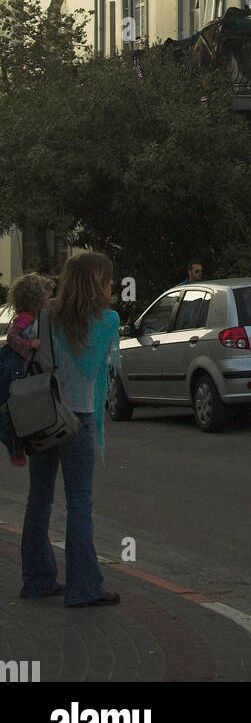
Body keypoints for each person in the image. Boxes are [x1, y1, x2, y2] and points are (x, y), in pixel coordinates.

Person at [18, 250, 121, 607]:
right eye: (108, 279)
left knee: (39, 500)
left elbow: (27, 353)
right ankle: (83, 587)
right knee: (79, 503)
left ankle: (37, 580)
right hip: (78, 420)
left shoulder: (45, 317)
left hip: (43, 418)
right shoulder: (107, 321)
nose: (112, 285)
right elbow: (100, 371)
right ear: (97, 283)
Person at [5, 274, 52, 466]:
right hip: (19, 370)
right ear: (36, 300)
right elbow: (12, 336)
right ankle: (16, 448)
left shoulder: (35, 318)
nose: (49, 301)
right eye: (47, 297)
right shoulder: (26, 319)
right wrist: (27, 345)